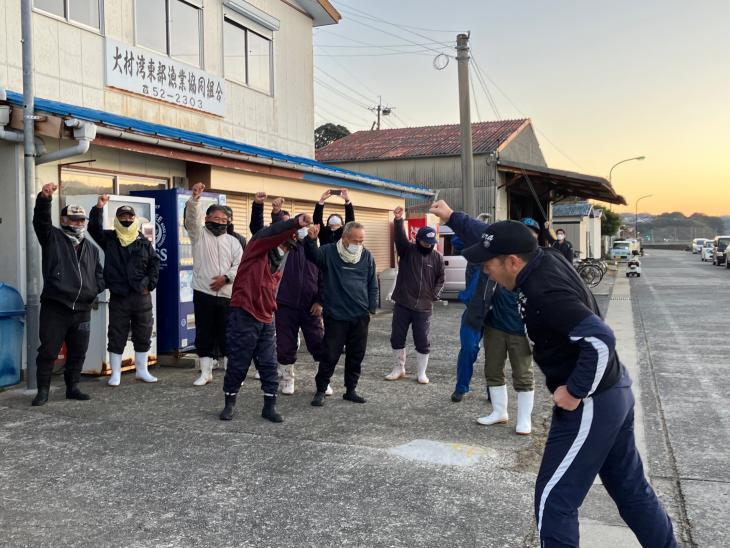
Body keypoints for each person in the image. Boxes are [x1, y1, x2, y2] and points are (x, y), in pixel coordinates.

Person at [430, 199, 676, 548]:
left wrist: (574, 391)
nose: (486, 272)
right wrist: (454, 217)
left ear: (512, 263)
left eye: (489, 267)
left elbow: (600, 339)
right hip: (614, 393)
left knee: (554, 500)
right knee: (630, 490)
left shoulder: (545, 291)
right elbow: (494, 236)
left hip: (591, 401)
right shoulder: (541, 255)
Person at [220, 211, 313, 423]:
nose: (285, 248)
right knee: (238, 360)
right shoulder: (255, 250)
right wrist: (295, 222)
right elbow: (269, 232)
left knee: (269, 363)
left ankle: (269, 406)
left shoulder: (279, 265)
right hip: (243, 313)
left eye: (289, 246)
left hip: (266, 316)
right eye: (284, 244)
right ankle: (229, 403)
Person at [31, 183, 105, 406]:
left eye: (81, 220)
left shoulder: (91, 248)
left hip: (82, 310)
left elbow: (99, 275)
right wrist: (44, 200)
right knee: (48, 351)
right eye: (73, 219)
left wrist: (94, 289)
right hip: (56, 307)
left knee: (79, 351)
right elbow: (40, 222)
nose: (78, 223)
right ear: (63, 220)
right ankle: (42, 391)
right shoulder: (51, 237)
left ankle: (72, 387)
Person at [304, 221, 378, 407]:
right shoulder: (329, 252)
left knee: (356, 354)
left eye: (361, 240)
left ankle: (351, 390)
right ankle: (321, 389)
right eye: (355, 240)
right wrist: (311, 240)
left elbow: (372, 284)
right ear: (344, 238)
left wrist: (371, 309)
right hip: (336, 315)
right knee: (330, 354)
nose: (358, 244)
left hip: (360, 315)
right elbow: (312, 256)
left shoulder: (367, 256)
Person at [88, 196, 160, 386]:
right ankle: (116, 374)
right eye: (122, 216)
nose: (126, 219)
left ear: (134, 218)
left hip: (141, 296)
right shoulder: (110, 238)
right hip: (119, 296)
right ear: (117, 218)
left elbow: (155, 263)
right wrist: (98, 208)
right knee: (116, 334)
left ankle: (142, 371)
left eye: (129, 216)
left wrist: (149, 284)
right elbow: (92, 229)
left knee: (143, 332)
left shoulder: (143, 241)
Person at [184, 182, 242, 386]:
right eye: (216, 218)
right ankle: (205, 372)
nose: (220, 222)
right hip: (203, 292)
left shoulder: (234, 242)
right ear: (207, 218)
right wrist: (195, 200)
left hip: (227, 293)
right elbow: (191, 220)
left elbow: (239, 265)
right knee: (204, 333)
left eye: (224, 219)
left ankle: (232, 373)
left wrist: (226, 278)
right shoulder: (198, 235)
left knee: (228, 333)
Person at [384, 207, 444, 384]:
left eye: (431, 243)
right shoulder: (407, 250)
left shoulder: (437, 258)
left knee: (422, 340)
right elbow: (399, 238)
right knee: (397, 336)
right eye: (425, 242)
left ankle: (421, 373)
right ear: (418, 240)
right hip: (403, 302)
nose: (428, 245)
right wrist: (398, 220)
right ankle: (398, 368)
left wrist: (434, 294)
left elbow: (441, 278)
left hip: (424, 307)